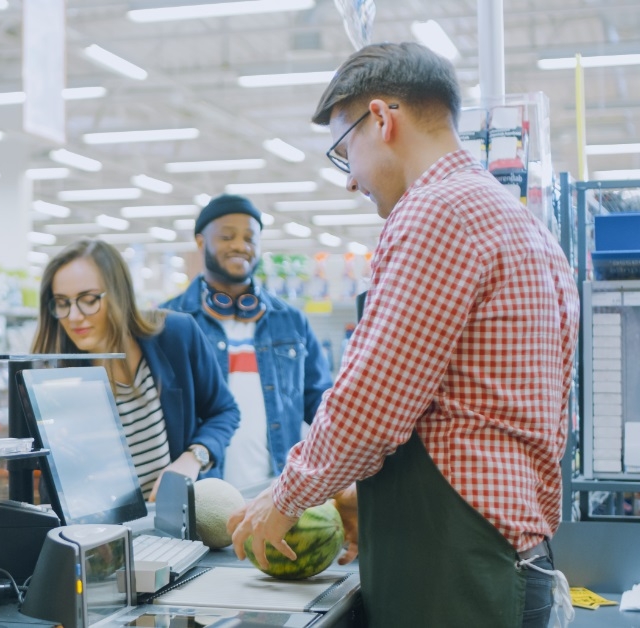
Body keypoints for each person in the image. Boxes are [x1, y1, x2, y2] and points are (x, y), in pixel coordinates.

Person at [227, 42, 578, 628]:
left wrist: (285, 498)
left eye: (344, 153)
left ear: (383, 119)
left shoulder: (435, 211)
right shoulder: (518, 220)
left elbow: (371, 402)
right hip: (502, 554)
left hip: (457, 571)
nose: (350, 182)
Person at [32, 239, 239, 498]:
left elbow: (223, 411)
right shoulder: (57, 379)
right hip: (102, 531)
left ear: (119, 294)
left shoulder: (175, 336)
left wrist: (192, 458)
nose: (74, 316)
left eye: (88, 299)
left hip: (177, 523)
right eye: (62, 303)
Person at [162, 194, 333, 490]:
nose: (240, 245)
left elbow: (320, 404)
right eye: (227, 236)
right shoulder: (170, 321)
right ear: (201, 243)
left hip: (278, 492)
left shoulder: (290, 320)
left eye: (250, 238)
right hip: (203, 493)